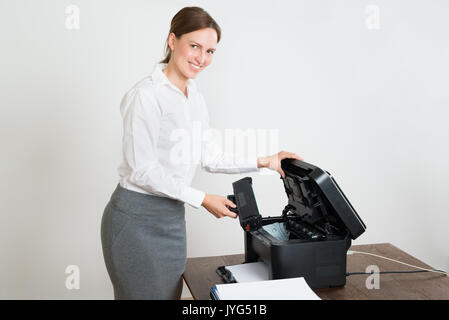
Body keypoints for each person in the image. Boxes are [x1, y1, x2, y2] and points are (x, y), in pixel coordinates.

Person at [100, 6, 303, 300]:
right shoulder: (145, 96)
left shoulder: (194, 97)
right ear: (172, 41)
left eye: (210, 51)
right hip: (135, 222)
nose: (201, 58)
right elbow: (142, 171)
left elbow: (211, 157)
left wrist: (266, 161)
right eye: (194, 46)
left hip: (171, 220)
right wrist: (203, 198)